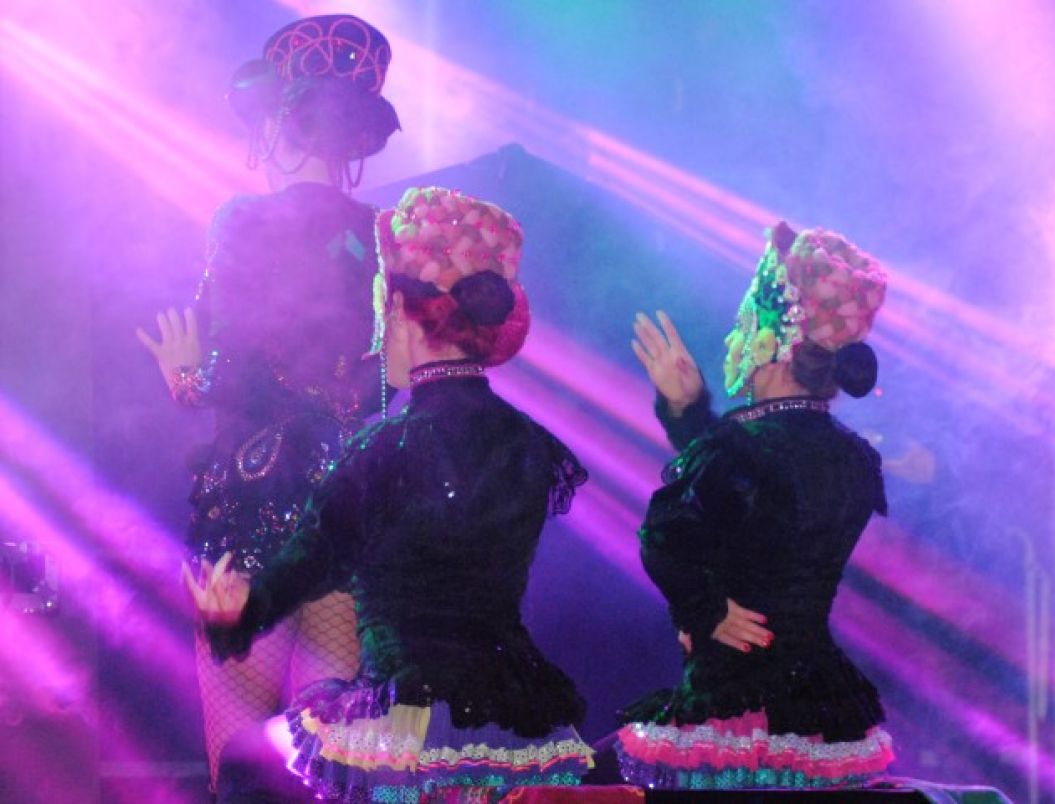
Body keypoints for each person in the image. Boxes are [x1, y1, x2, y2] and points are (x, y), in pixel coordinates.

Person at [185, 187, 594, 802]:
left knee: (244, 764)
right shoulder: (532, 445)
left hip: (405, 720)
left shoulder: (385, 449)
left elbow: (314, 561)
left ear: (398, 310)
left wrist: (241, 611)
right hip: (515, 721)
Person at [135, 14, 400, 793]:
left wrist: (187, 380)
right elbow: (390, 385)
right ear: (355, 139)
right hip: (349, 505)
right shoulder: (383, 234)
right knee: (336, 772)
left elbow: (229, 364)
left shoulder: (242, 220)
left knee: (244, 772)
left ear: (280, 123)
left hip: (252, 509)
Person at [616, 222, 895, 790]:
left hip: (737, 698)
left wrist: (703, 610)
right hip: (817, 703)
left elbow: (665, 535)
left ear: (773, 341)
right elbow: (762, 509)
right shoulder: (854, 458)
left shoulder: (737, 446)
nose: (734, 337)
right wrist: (692, 415)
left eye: (746, 323)